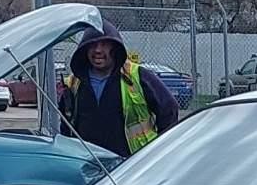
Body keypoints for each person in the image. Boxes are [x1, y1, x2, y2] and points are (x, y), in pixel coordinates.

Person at [57, 27, 179, 157]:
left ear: (114, 48)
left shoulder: (137, 76)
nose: (98, 50)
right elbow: (67, 127)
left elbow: (169, 109)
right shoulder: (73, 84)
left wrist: (160, 150)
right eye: (92, 44)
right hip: (88, 163)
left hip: (132, 163)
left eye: (104, 44)